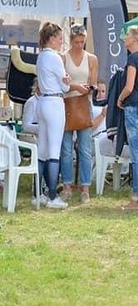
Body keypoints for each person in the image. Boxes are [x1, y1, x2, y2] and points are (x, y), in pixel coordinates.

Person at [60, 24, 98, 205]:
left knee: (85, 149)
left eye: (82, 42)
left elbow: (94, 84)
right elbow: (61, 84)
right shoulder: (62, 58)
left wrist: (89, 89)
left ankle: (85, 188)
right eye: (76, 42)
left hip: (84, 104)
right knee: (66, 150)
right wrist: (75, 86)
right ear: (70, 41)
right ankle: (67, 186)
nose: (80, 45)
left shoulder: (91, 59)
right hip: (67, 104)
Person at [35, 22, 72, 209]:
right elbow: (65, 85)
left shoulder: (41, 57)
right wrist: (67, 81)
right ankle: (52, 195)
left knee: (42, 149)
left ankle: (38, 193)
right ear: (51, 39)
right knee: (54, 150)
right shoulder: (55, 57)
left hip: (42, 103)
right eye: (59, 38)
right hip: (55, 102)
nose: (61, 41)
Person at [116, 25, 138, 210]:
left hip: (132, 107)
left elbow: (129, 86)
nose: (124, 38)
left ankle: (137, 198)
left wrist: (119, 99)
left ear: (135, 39)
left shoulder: (132, 59)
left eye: (127, 35)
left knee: (136, 154)